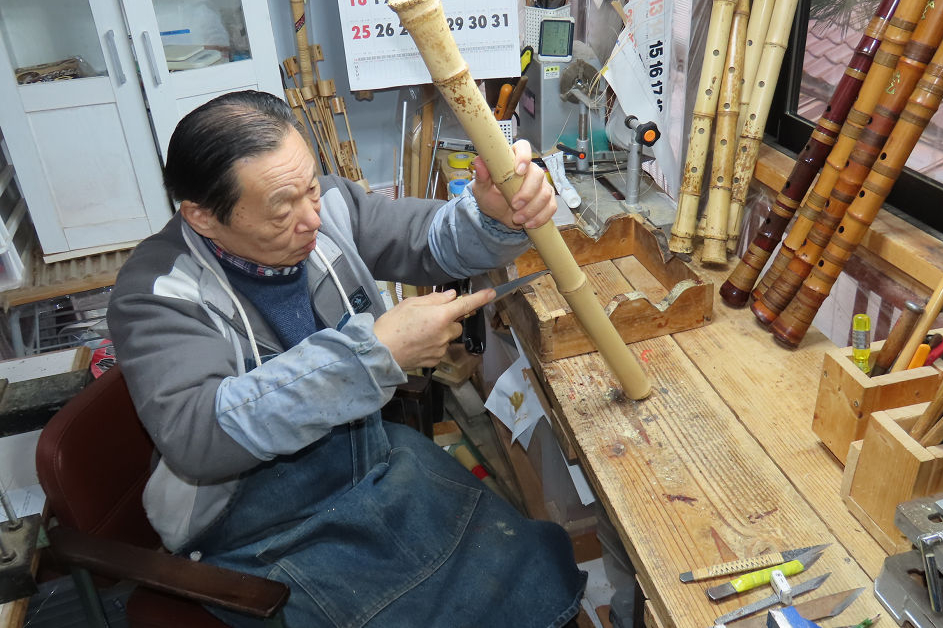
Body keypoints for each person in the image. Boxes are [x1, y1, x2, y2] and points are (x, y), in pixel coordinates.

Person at [107, 90, 586, 628]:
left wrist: (493, 216)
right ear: (202, 217)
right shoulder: (157, 293)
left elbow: (428, 241)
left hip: (367, 462)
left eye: (311, 188)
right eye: (281, 210)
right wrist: (373, 355)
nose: (312, 219)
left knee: (523, 562)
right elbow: (200, 436)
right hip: (255, 524)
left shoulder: (327, 207)